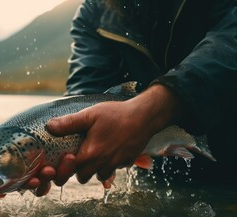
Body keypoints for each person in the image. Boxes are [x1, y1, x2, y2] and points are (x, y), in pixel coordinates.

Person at [23, 0, 237, 196]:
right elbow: (85, 96)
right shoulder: (95, 11)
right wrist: (50, 152)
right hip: (157, 178)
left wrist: (151, 110)